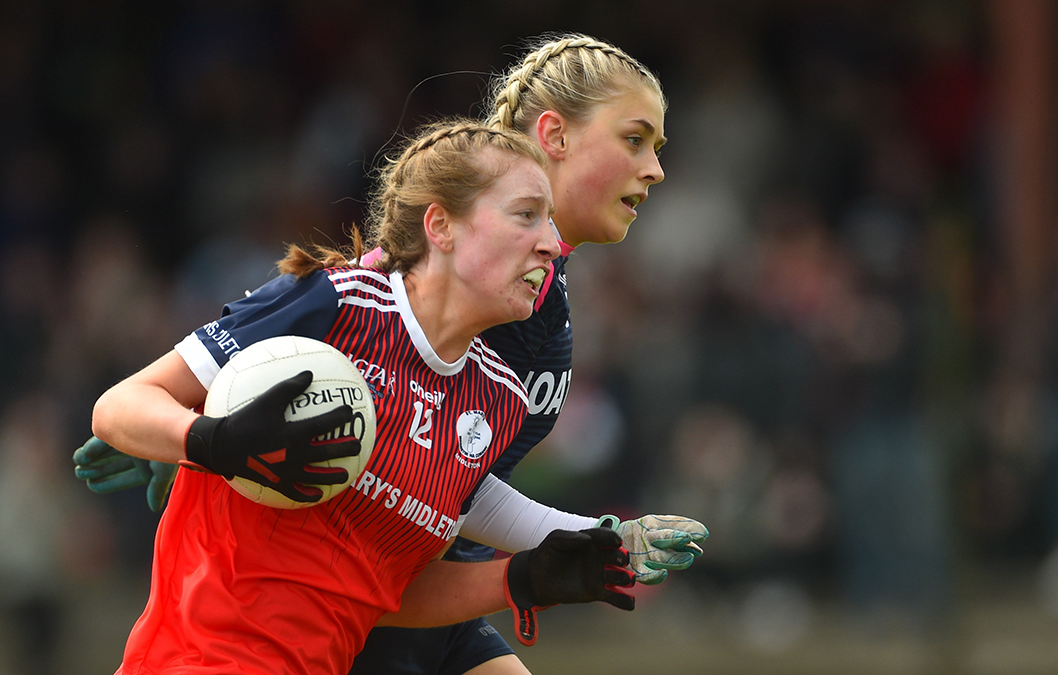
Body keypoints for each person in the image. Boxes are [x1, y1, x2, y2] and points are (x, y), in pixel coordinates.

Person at [76, 33, 711, 674]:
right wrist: (202, 432)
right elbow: (139, 400)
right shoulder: (350, 301)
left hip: (400, 571)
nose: (656, 167)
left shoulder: (512, 350)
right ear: (555, 135)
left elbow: (454, 482)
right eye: (635, 140)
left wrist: (565, 553)